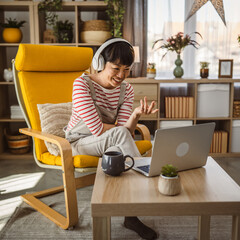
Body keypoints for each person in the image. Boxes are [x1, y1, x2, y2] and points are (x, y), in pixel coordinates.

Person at [65, 38, 158, 240]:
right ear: (100, 63)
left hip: (109, 139)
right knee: (119, 137)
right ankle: (147, 184)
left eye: (127, 69)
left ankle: (130, 217)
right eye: (116, 68)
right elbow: (98, 129)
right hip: (79, 142)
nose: (121, 75)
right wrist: (120, 129)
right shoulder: (82, 84)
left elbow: (126, 131)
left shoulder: (126, 89)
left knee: (121, 142)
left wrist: (136, 115)